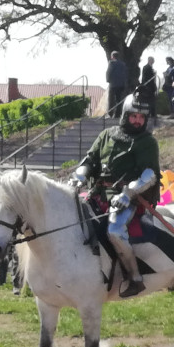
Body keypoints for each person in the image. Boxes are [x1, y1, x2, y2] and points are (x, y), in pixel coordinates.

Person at [70, 91, 159, 298]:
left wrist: (128, 193)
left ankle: (135, 278)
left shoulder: (147, 142)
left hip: (129, 196)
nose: (137, 121)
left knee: (115, 231)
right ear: (125, 115)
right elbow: (89, 161)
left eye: (141, 118)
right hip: (98, 192)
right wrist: (79, 177)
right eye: (133, 116)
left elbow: (150, 174)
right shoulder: (106, 135)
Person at [106, 51, 128, 116]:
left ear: (112, 56)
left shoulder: (111, 63)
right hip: (121, 84)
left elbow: (109, 72)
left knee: (111, 99)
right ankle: (118, 114)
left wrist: (108, 80)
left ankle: (110, 113)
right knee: (118, 99)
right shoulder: (123, 64)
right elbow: (125, 74)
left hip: (113, 84)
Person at [139, 56, 158, 123]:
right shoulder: (146, 67)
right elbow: (146, 78)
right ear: (150, 60)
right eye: (153, 60)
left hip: (151, 86)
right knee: (150, 101)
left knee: (152, 100)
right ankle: (150, 113)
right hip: (148, 87)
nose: (153, 62)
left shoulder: (150, 68)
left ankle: (152, 113)